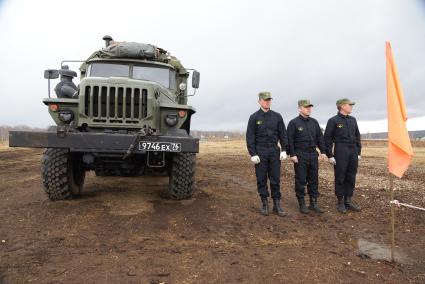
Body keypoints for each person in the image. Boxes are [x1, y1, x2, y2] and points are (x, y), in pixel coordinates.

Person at [246, 92, 288, 217]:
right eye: (265, 100)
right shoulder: (254, 117)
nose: (267, 102)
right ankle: (264, 203)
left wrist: (284, 150)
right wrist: (253, 153)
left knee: (275, 179)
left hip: (274, 151)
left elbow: (283, 134)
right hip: (260, 152)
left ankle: (277, 205)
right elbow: (250, 137)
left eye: (269, 100)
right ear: (259, 101)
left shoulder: (277, 116)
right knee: (261, 179)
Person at [287, 100, 327, 214]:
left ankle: (313, 203)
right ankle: (302, 204)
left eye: (310, 107)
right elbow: (290, 140)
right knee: (301, 180)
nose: (309, 109)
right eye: (306, 107)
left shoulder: (314, 122)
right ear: (300, 109)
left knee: (313, 180)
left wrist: (323, 151)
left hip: (313, 155)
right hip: (300, 155)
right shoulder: (293, 123)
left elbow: (320, 138)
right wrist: (292, 154)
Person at [324, 98, 362, 213]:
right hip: (341, 149)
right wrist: (330, 155)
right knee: (340, 176)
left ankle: (348, 200)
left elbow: (357, 136)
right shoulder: (333, 121)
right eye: (349, 105)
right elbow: (327, 139)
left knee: (351, 176)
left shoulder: (353, 120)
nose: (351, 107)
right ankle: (340, 201)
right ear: (342, 106)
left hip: (353, 150)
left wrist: (358, 152)